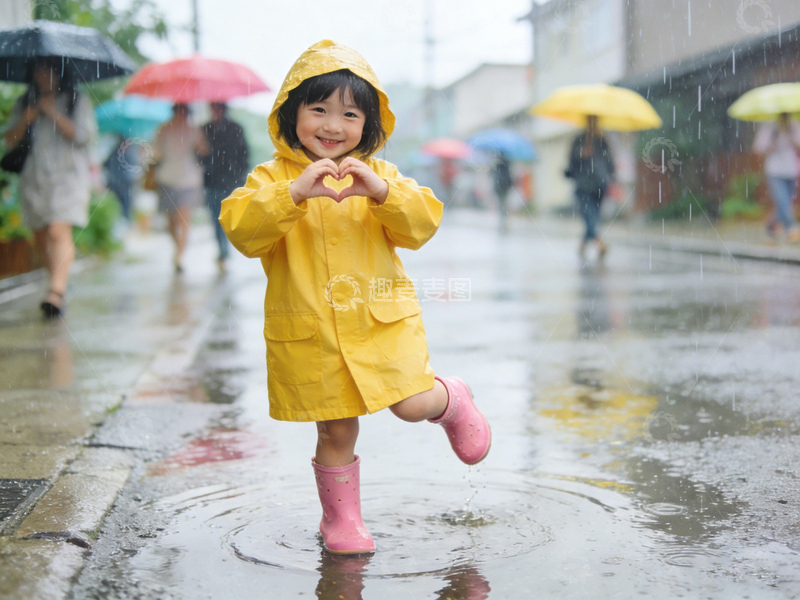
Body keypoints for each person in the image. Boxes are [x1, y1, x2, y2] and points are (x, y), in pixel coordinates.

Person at [219, 40, 491, 555]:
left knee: (411, 404)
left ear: (368, 124)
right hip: (313, 331)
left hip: (379, 320)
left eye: (350, 114)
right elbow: (242, 230)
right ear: (292, 113)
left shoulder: (380, 175)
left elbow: (422, 225)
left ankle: (451, 399)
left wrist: (384, 194)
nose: (333, 125)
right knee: (335, 430)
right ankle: (341, 521)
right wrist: (292, 194)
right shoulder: (272, 179)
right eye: (318, 109)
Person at [2, 58, 97, 318]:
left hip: (68, 177)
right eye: (39, 71)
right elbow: (9, 139)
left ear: (59, 73)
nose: (43, 76)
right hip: (34, 177)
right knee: (41, 235)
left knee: (57, 230)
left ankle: (56, 291)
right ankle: (58, 283)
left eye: (48, 71)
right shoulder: (24, 102)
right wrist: (26, 119)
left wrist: (53, 112)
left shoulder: (77, 100)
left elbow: (84, 136)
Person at [152, 103, 209, 273]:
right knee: (171, 220)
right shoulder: (164, 129)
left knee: (183, 218)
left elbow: (204, 151)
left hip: (189, 179)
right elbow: (156, 153)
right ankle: (178, 249)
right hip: (168, 178)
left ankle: (180, 256)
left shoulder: (193, 130)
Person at [202, 102, 249, 273]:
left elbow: (244, 154)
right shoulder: (205, 129)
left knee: (230, 218)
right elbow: (201, 155)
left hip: (232, 181)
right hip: (212, 181)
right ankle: (223, 251)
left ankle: (226, 249)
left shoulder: (236, 128)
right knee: (216, 218)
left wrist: (239, 175)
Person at [565, 115, 615, 258]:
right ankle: (599, 242)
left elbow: (609, 162)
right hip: (583, 184)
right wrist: (581, 154)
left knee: (594, 216)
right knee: (589, 214)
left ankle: (583, 244)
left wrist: (609, 177)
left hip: (599, 184)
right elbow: (571, 162)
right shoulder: (579, 140)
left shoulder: (602, 141)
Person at [752, 112, 800, 242]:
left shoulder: (794, 126)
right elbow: (758, 148)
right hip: (775, 171)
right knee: (782, 200)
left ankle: (771, 225)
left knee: (785, 204)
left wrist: (791, 137)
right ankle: (791, 229)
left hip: (791, 170)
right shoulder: (769, 127)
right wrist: (773, 140)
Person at [104, 134, 139, 223]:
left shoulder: (119, 152)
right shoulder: (129, 153)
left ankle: (123, 220)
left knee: (121, 203)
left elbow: (105, 164)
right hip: (120, 183)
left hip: (119, 182)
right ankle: (122, 220)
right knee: (122, 203)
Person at [491, 153, 513, 220]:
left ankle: (502, 213)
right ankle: (504, 213)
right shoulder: (507, 163)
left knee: (501, 200)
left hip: (499, 185)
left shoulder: (497, 163)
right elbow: (509, 175)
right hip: (505, 185)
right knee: (504, 200)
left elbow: (493, 173)